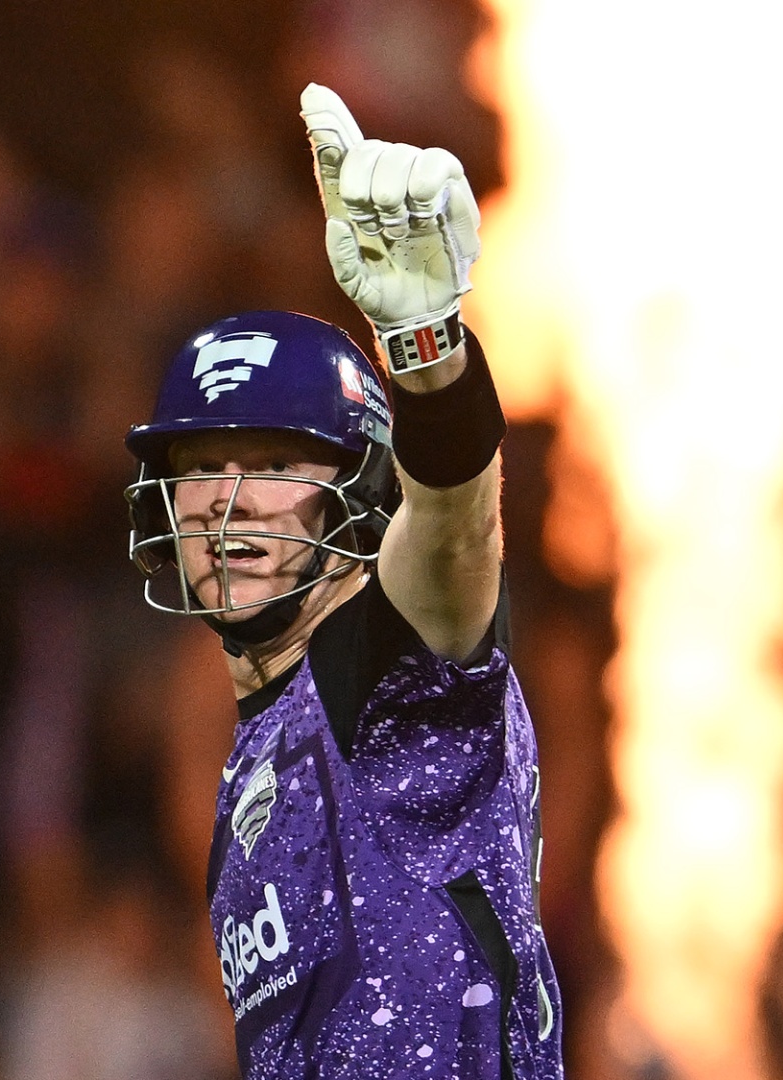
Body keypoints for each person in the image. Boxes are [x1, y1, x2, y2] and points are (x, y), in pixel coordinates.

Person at [122, 84, 562, 1079]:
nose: (227, 504)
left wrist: (425, 352)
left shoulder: (378, 679)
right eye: (198, 471)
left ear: (357, 495)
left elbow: (452, 535)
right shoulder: (254, 755)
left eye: (272, 466)